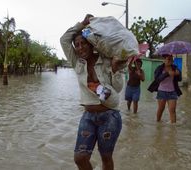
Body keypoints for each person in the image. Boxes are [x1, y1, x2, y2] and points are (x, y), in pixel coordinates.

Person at [60, 14, 126, 170]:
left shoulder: (107, 60)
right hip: (88, 116)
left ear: (90, 44)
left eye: (83, 43)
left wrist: (115, 70)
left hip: (109, 115)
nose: (80, 47)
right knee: (80, 158)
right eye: (77, 44)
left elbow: (117, 88)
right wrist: (81, 24)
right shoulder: (77, 63)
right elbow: (64, 39)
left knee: (106, 157)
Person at [148, 54, 182, 123]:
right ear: (164, 60)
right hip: (162, 92)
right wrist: (167, 74)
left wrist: (178, 74)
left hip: (172, 92)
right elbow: (157, 79)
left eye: (171, 59)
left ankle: (173, 129)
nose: (170, 60)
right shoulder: (159, 68)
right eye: (168, 59)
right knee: (161, 109)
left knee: (172, 110)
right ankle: (158, 123)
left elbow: (180, 79)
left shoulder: (175, 68)